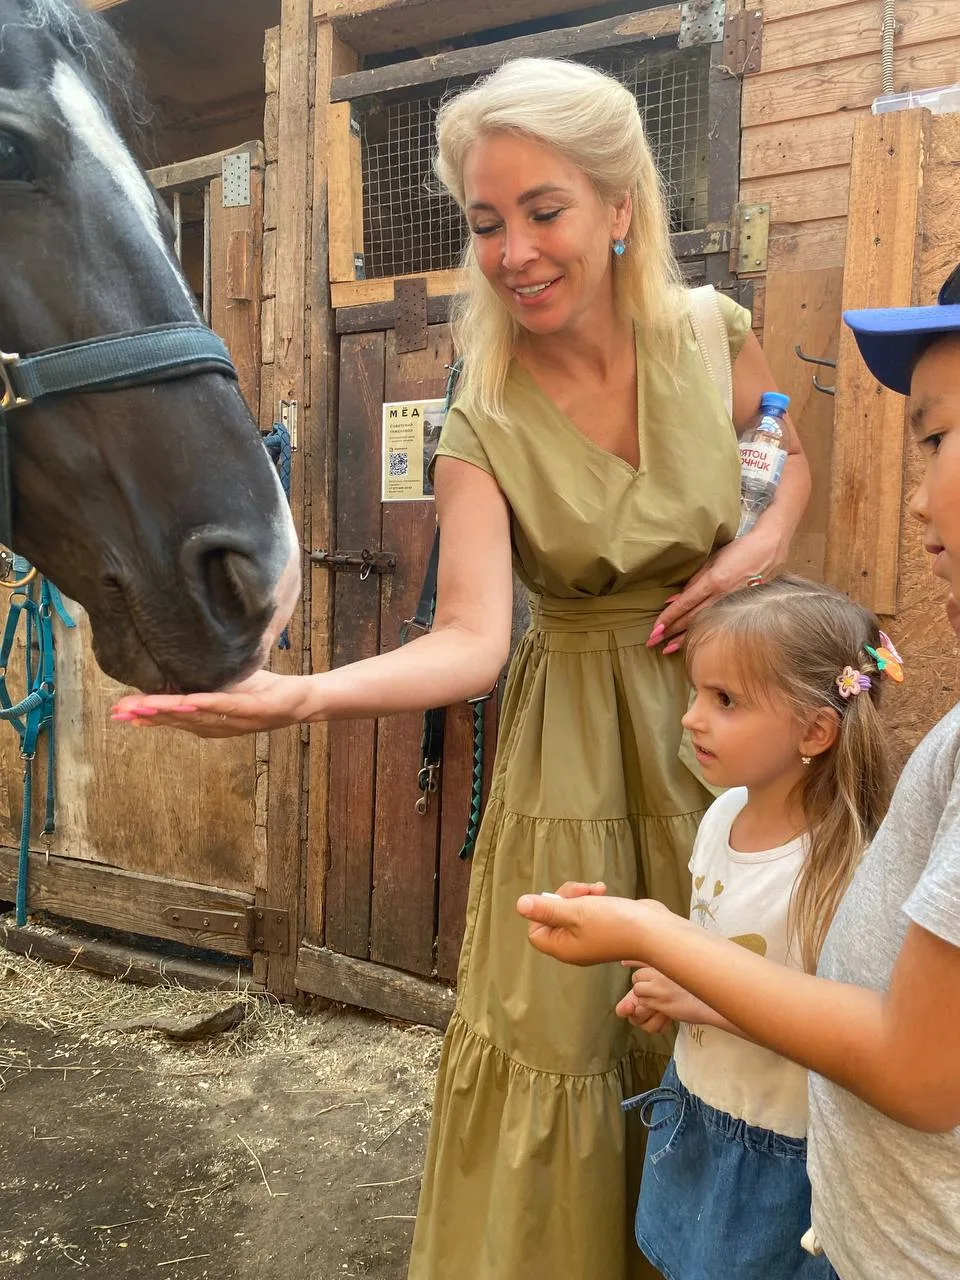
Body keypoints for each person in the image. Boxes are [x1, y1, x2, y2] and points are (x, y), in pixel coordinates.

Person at [114, 58, 810, 1280]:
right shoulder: (481, 404)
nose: (514, 251)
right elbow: (475, 636)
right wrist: (300, 692)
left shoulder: (711, 336)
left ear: (619, 208)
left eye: (543, 210)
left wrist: (760, 547)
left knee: (747, 1022)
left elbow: (783, 455)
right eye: (486, 222)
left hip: (736, 738)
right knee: (568, 1039)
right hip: (574, 764)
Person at [517, 272, 960, 1279]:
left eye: (935, 438)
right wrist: (684, 981)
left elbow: (912, 1061)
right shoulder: (720, 819)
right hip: (785, 1173)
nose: (916, 492)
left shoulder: (838, 850)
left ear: (812, 729)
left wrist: (645, 929)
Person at [613, 575, 893, 1280]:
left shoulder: (839, 867)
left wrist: (697, 1000)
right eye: (697, 692)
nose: (690, 718)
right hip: (697, 1103)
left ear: (815, 730)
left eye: (725, 701)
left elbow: (841, 1037)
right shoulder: (719, 815)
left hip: (777, 1150)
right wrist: (669, 986)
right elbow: (716, 941)